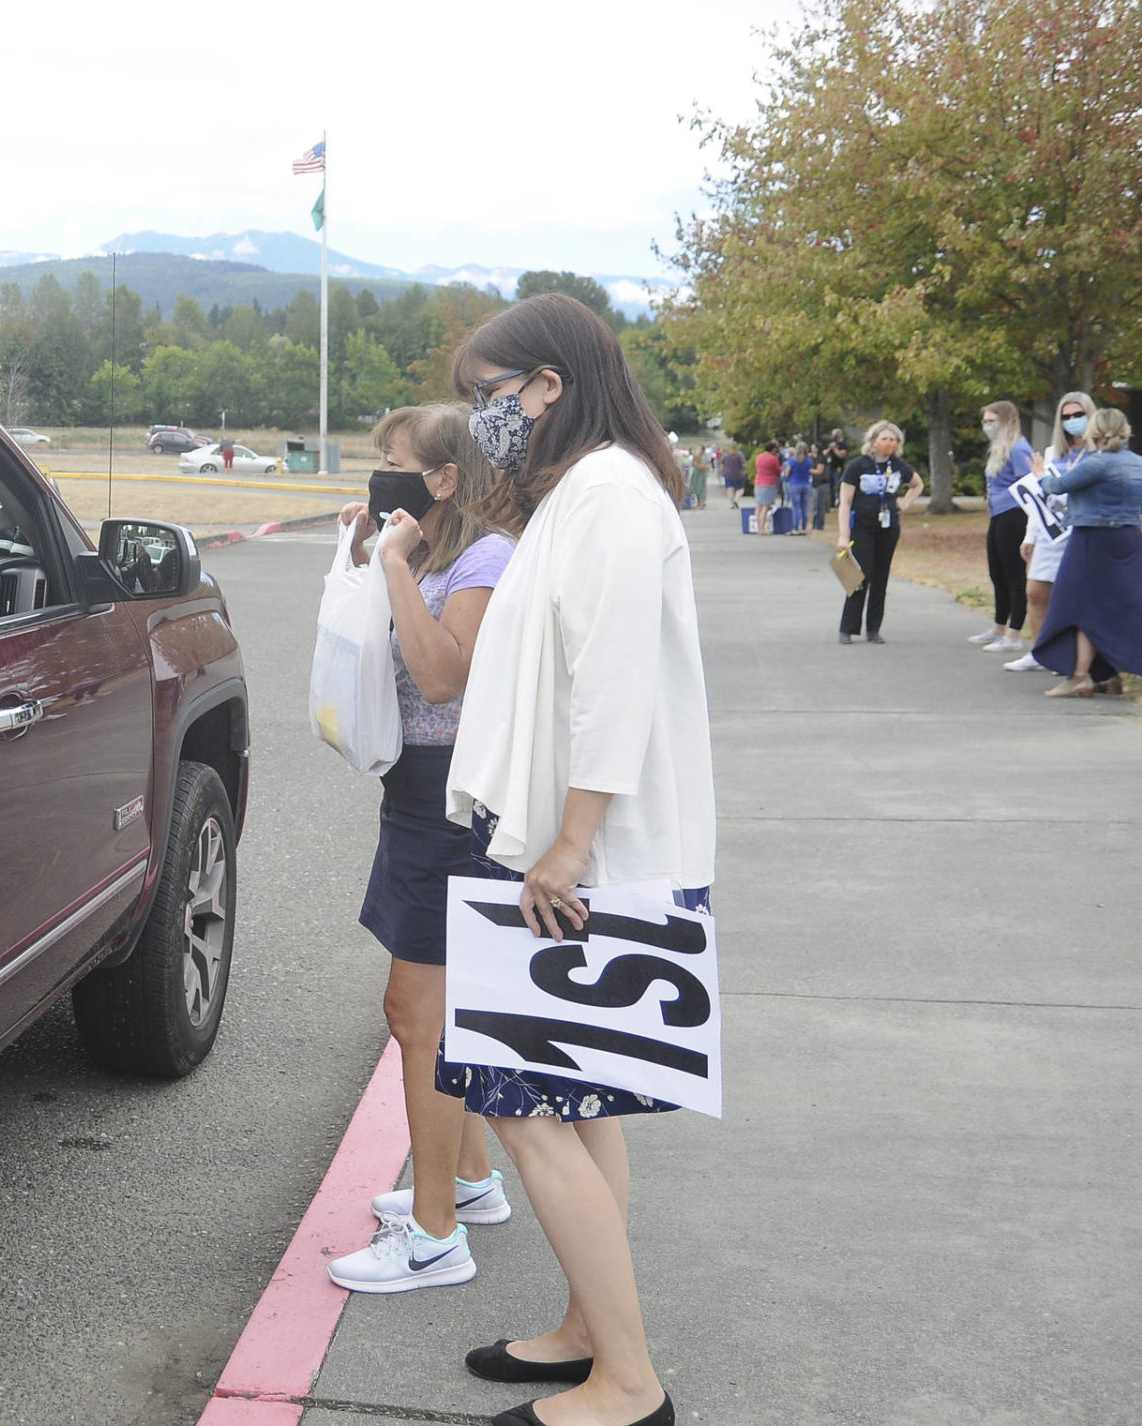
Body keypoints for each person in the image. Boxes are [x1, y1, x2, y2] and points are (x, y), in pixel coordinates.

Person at [440, 293, 715, 1426]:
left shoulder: (604, 494)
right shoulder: (590, 491)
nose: (481, 418)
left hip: (576, 857)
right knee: (580, 1100)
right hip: (568, 844)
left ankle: (629, 1381)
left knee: (528, 1108)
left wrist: (571, 840)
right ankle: (589, 1331)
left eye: (488, 395)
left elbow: (611, 683)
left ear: (547, 387)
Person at [326, 403, 516, 1295]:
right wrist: (376, 559)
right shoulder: (434, 552)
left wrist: (393, 564)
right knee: (438, 1010)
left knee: (418, 1015)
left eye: (395, 462)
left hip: (452, 806)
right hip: (415, 796)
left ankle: (437, 1234)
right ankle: (467, 1183)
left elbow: (443, 674)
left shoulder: (484, 557)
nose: (381, 476)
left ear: (442, 478)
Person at [1031, 408, 1142, 697]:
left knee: (1076, 604)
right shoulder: (1140, 464)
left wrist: (1040, 474)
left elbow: (1056, 487)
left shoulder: (1097, 464)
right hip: (1129, 538)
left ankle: (1081, 675)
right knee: (1114, 606)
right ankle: (1106, 675)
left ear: (1095, 431)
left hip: (1092, 537)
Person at [1004, 392, 1095, 673]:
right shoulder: (1053, 453)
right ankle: (1040, 653)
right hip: (1049, 531)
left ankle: (1071, 658)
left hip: (1081, 532)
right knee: (1035, 592)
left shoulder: (1099, 453)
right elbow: (1038, 495)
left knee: (1072, 597)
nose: (1072, 421)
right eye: (1066, 417)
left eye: (1078, 415)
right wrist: (1029, 535)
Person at [835, 420, 923, 644]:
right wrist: (843, 535)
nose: (889, 443)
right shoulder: (858, 466)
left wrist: (905, 503)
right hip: (862, 526)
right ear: (873, 441)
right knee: (860, 576)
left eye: (893, 440)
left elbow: (917, 484)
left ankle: (873, 629)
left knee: (880, 578)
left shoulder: (899, 466)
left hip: (888, 527)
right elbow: (845, 502)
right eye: (884, 438)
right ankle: (848, 628)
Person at [973, 401, 1036, 653]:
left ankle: (1014, 634)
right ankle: (999, 626)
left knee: (1014, 574)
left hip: (1014, 514)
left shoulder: (1019, 449)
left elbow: (1029, 485)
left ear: (1006, 421)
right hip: (998, 513)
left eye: (992, 421)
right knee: (997, 571)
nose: (987, 426)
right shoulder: (999, 448)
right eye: (985, 421)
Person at [818, 429, 848, 530]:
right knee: (830, 487)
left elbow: (842, 455)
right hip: (830, 468)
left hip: (838, 468)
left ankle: (839, 502)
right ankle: (831, 503)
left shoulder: (843, 445)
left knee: (838, 485)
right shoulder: (831, 444)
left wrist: (835, 448)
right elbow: (824, 454)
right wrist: (830, 448)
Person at [784, 443, 814, 534]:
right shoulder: (809, 461)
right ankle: (804, 528)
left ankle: (796, 528)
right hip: (806, 484)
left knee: (796, 507)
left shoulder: (793, 461)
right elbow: (810, 471)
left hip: (795, 483)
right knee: (805, 506)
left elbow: (787, 473)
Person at [752, 440, 781, 534]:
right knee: (766, 507)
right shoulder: (773, 458)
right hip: (769, 482)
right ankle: (762, 528)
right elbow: (778, 470)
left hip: (758, 481)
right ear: (773, 449)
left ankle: (758, 527)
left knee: (759, 506)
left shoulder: (758, 457)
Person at [718, 443, 745, 510]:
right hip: (739, 474)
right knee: (740, 489)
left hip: (728, 474)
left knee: (730, 489)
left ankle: (733, 503)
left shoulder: (726, 455)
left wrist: (721, 472)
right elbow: (744, 464)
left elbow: (722, 464)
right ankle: (736, 499)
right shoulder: (739, 454)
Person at [687, 444, 708, 510]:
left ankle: (701, 504)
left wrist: (697, 465)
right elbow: (693, 464)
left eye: (699, 449)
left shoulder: (705, 457)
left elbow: (704, 466)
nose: (698, 450)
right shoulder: (696, 457)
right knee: (695, 489)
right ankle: (699, 503)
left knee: (701, 489)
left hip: (701, 475)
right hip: (695, 475)